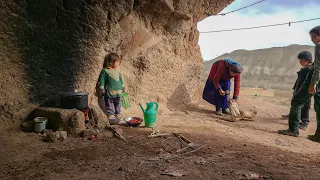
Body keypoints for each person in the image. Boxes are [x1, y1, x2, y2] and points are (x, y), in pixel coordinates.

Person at [278, 26, 320, 141]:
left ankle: (293, 130)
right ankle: (318, 136)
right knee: (318, 106)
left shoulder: (319, 46)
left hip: (315, 79)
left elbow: (318, 68)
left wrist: (313, 83)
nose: (312, 40)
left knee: (296, 102)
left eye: (313, 37)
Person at [281, 51, 313, 130]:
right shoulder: (303, 69)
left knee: (305, 106)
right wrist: (295, 89)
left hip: (305, 92)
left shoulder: (310, 70)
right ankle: (292, 115)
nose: (299, 62)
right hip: (298, 90)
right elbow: (299, 80)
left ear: (307, 60)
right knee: (294, 103)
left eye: (301, 60)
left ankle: (305, 122)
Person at [99, 53, 124, 119]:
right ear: (111, 62)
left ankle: (118, 113)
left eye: (119, 62)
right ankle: (111, 114)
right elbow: (102, 79)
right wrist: (102, 87)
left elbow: (120, 78)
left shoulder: (117, 70)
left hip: (118, 91)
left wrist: (122, 86)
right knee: (109, 102)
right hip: (109, 90)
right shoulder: (105, 70)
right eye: (117, 62)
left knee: (118, 103)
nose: (119, 63)